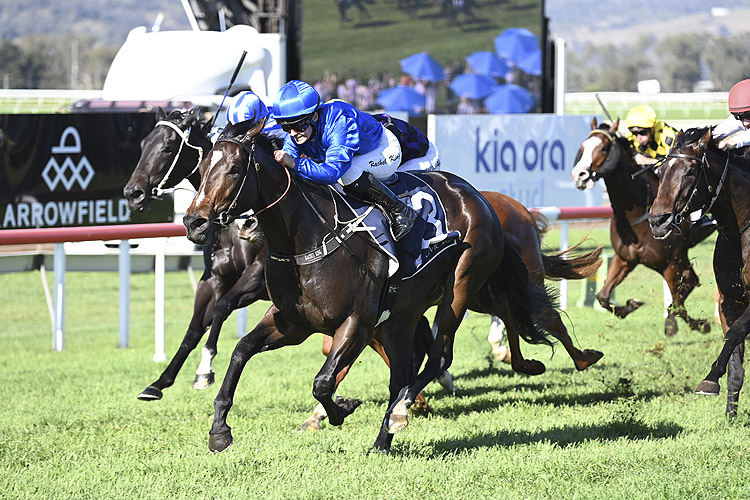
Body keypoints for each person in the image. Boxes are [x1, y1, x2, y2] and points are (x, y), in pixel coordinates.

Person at [271, 79, 418, 241]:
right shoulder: (299, 129)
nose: (292, 133)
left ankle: (400, 210)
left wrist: (295, 163)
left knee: (347, 173)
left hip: (384, 150)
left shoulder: (339, 121)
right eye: (286, 127)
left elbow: (332, 173)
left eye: (297, 126)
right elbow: (287, 157)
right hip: (357, 154)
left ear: (313, 116)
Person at [625, 104, 716, 244]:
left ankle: (701, 218)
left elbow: (675, 168)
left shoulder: (669, 136)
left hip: (671, 174)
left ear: (653, 128)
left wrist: (648, 161)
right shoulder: (632, 138)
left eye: (642, 133)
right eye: (634, 133)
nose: (638, 138)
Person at [715, 79, 750, 159]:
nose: (745, 123)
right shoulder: (743, 118)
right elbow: (717, 132)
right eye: (739, 117)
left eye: (749, 116)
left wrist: (732, 142)